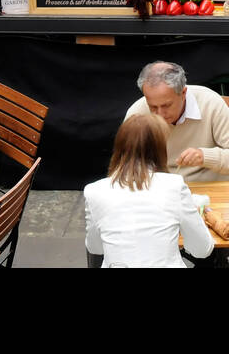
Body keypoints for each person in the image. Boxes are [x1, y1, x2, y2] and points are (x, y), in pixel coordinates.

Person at [83, 114, 216, 268]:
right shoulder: (174, 186)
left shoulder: (94, 191)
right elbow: (202, 249)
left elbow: (95, 248)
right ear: (160, 148)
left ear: (119, 146)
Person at [124, 62, 229, 182]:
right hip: (162, 194)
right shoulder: (137, 112)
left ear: (183, 93)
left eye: (166, 105)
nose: (159, 114)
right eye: (152, 107)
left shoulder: (210, 103)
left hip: (211, 190)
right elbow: (126, 169)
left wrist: (204, 156)